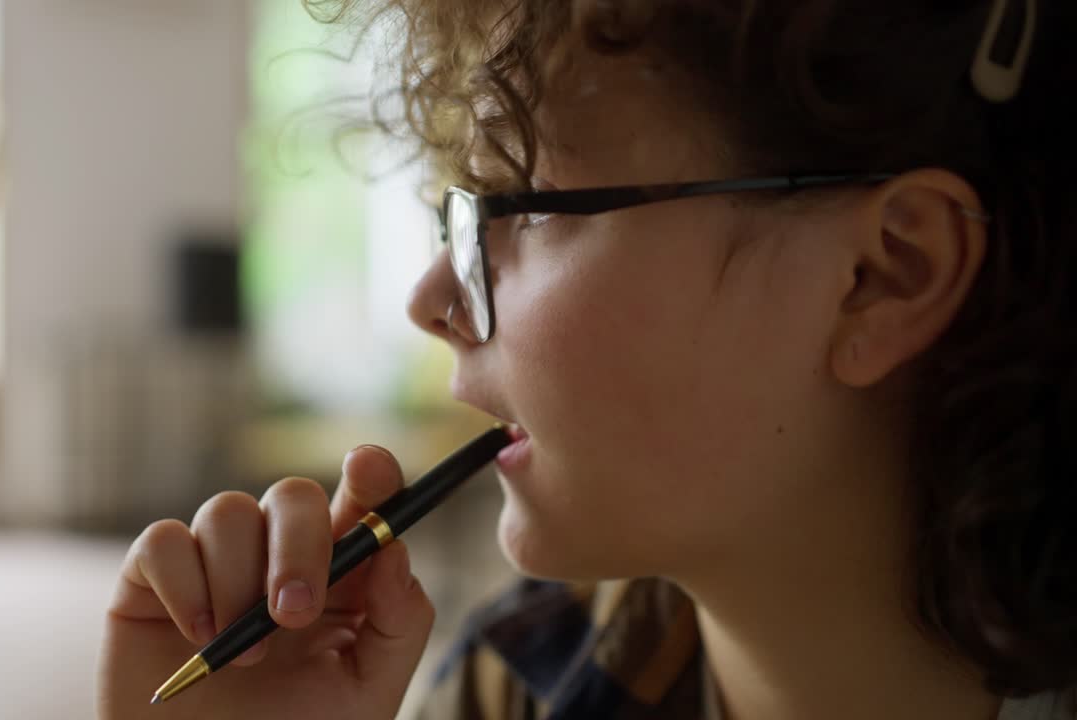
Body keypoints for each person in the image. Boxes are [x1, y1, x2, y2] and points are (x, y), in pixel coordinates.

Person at [96, 0, 1077, 718]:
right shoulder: (510, 686)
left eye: (517, 203)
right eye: (456, 214)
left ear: (882, 274)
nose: (430, 300)